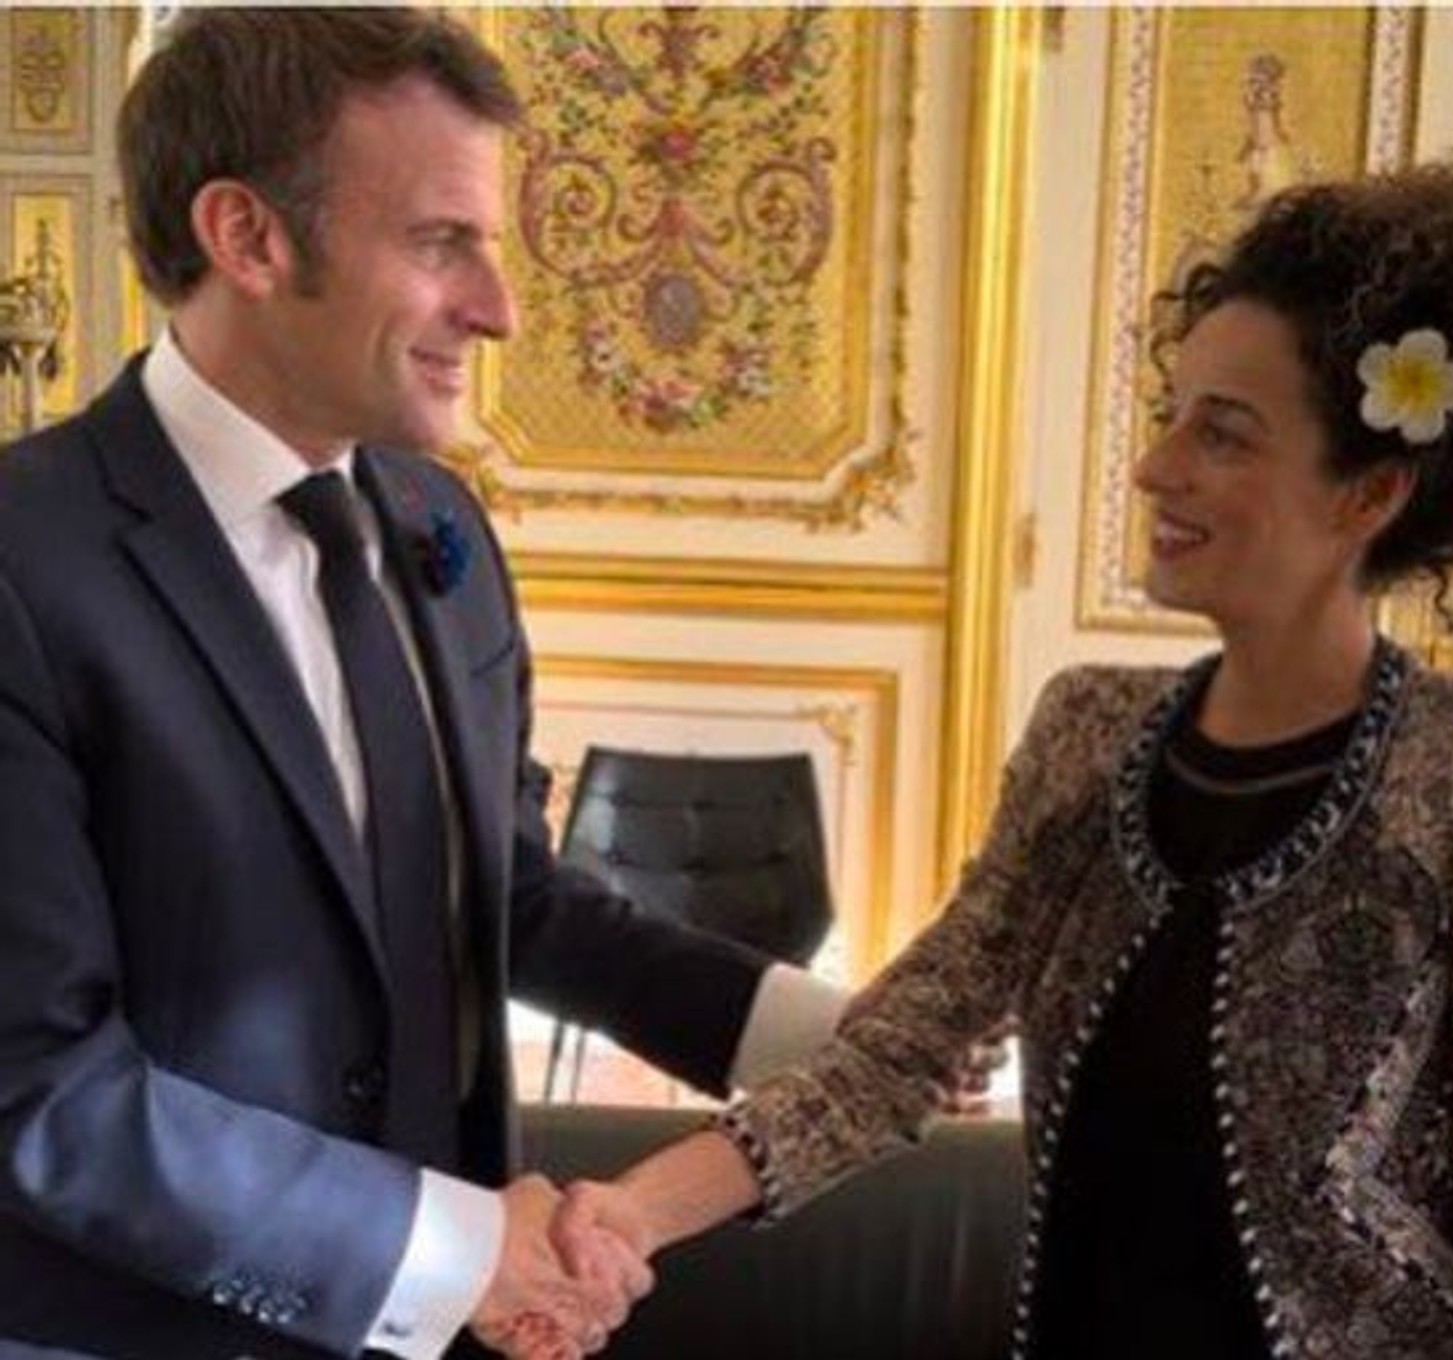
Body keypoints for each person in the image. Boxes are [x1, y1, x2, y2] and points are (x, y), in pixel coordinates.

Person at [544, 162, 1453, 1359]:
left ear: (1368, 492)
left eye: (1223, 433)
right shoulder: (1087, 731)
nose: (1156, 466)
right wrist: (626, 1215)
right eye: (1172, 413)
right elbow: (893, 1054)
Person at [0, 10, 855, 1359]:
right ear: (248, 237)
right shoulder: (24, 561)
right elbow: (41, 1087)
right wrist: (453, 1249)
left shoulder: (441, 532)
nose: (498, 310)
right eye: (440, 242)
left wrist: (834, 1039)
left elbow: (508, 900)